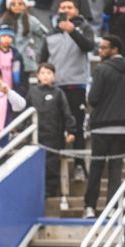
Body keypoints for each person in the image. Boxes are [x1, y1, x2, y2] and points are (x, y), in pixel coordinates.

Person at [40, 0, 95, 182]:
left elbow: (89, 46)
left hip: (76, 85)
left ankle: (79, 166)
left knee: (77, 127)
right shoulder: (50, 33)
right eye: (62, 7)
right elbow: (43, 59)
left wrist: (72, 31)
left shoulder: (84, 28)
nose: (65, 10)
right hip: (55, 89)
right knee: (55, 128)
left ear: (76, 10)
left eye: (69, 7)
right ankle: (54, 169)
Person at [83, 35, 125, 218]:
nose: (100, 51)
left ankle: (90, 207)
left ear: (115, 49)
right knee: (116, 170)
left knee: (97, 168)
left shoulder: (101, 69)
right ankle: (112, 209)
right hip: (122, 128)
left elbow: (92, 98)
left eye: (104, 48)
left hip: (101, 127)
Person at [25, 62, 76, 198]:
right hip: (35, 136)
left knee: (52, 166)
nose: (46, 76)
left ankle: (50, 193)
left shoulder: (58, 93)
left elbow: (66, 113)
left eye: (49, 73)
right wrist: (22, 130)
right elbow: (25, 113)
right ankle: (35, 193)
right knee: (34, 166)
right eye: (43, 73)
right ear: (38, 76)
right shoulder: (32, 91)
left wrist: (71, 131)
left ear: (54, 76)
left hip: (54, 137)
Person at [0, 0, 48, 74]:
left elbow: (42, 35)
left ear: (25, 5)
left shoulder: (31, 20)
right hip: (6, 62)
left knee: (23, 84)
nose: (17, 6)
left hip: (25, 62)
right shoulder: (3, 20)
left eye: (20, 4)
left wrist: (35, 51)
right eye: (13, 4)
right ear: (9, 6)